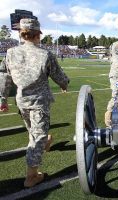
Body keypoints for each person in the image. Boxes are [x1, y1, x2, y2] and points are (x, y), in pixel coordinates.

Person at [0, 18, 70, 187]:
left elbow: (4, 77)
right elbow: (59, 76)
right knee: (36, 137)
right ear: (37, 35)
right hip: (39, 103)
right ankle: (32, 175)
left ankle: (45, 141)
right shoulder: (45, 54)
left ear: (21, 34)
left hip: (22, 102)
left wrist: (2, 99)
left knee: (34, 131)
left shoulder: (10, 53)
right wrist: (64, 84)